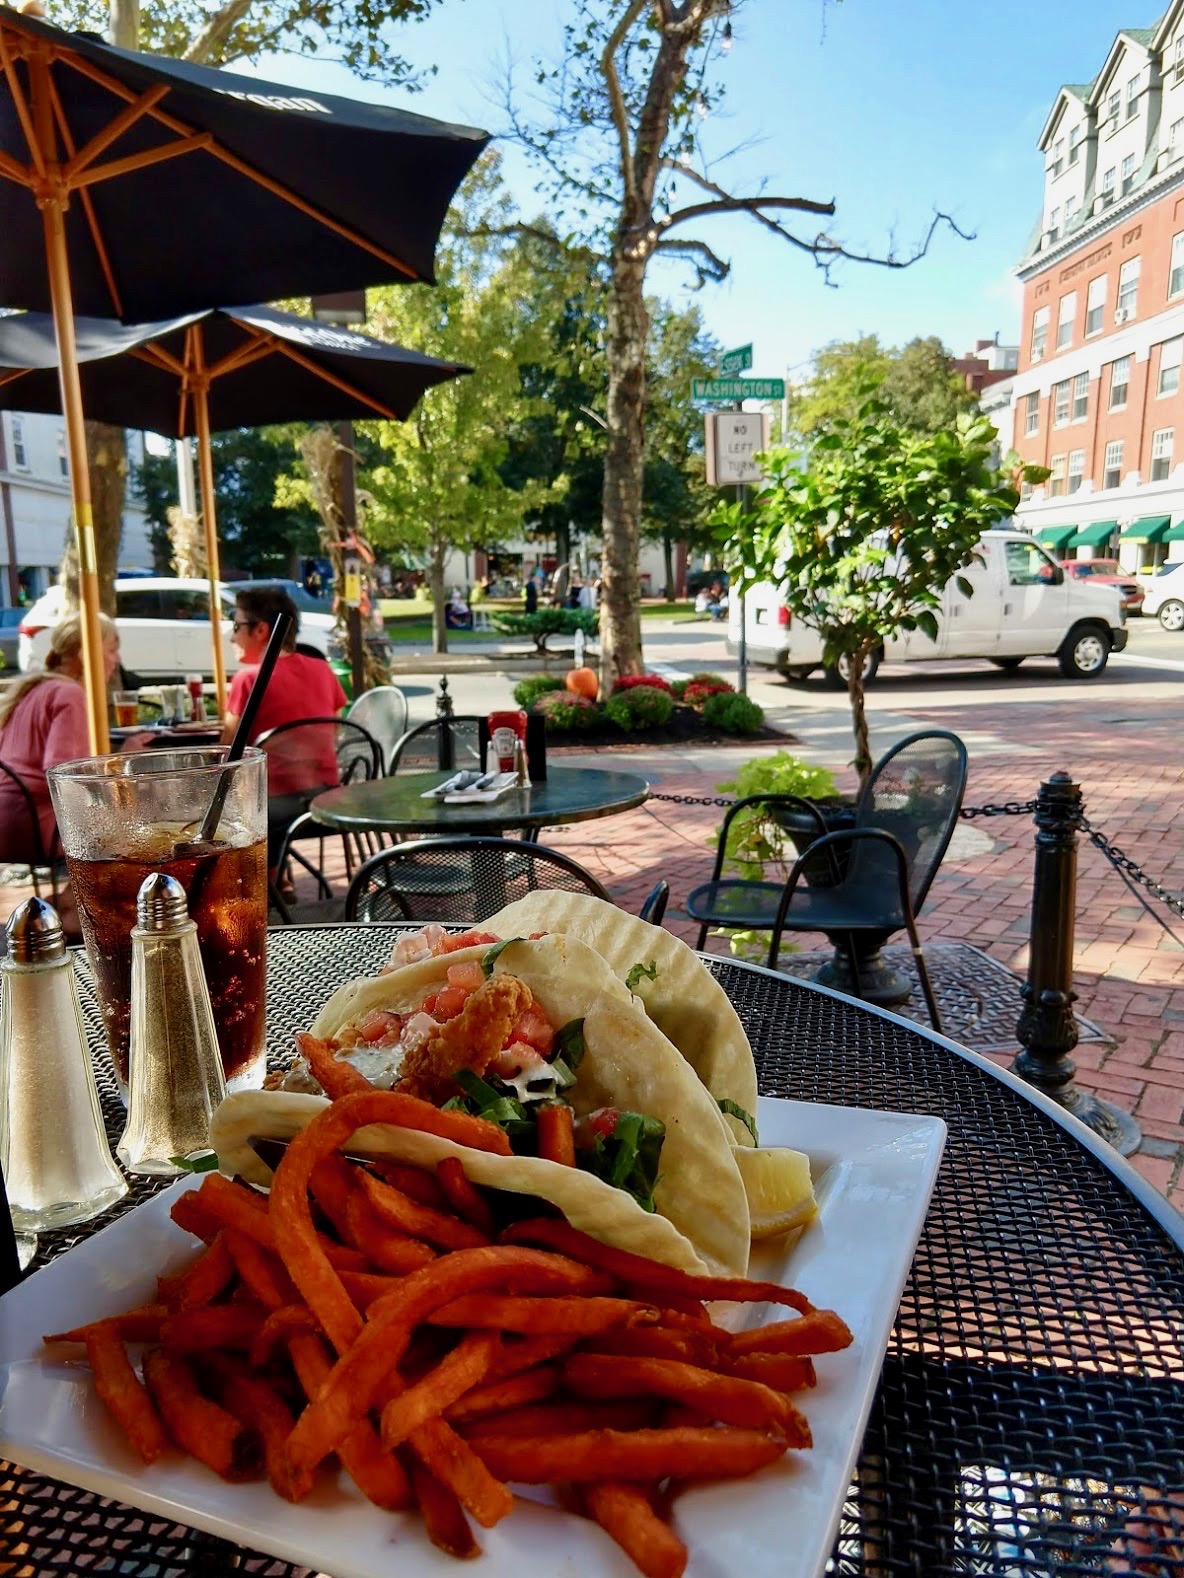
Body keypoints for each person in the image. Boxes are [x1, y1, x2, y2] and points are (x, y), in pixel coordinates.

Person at [0, 612, 128, 937]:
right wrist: (122, 760)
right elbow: (62, 774)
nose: (117, 659)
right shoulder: (69, 694)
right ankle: (79, 911)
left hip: (8, 815)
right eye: (112, 649)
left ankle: (68, 901)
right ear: (89, 652)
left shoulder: (33, 688)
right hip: (32, 825)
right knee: (130, 823)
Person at [220, 586, 347, 888]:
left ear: (262, 629)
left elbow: (228, 755)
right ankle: (279, 880)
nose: (232, 636)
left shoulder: (249, 678)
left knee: (212, 808)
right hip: (326, 796)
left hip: (274, 810)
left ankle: (258, 888)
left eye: (236, 625)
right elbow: (336, 730)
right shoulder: (322, 669)